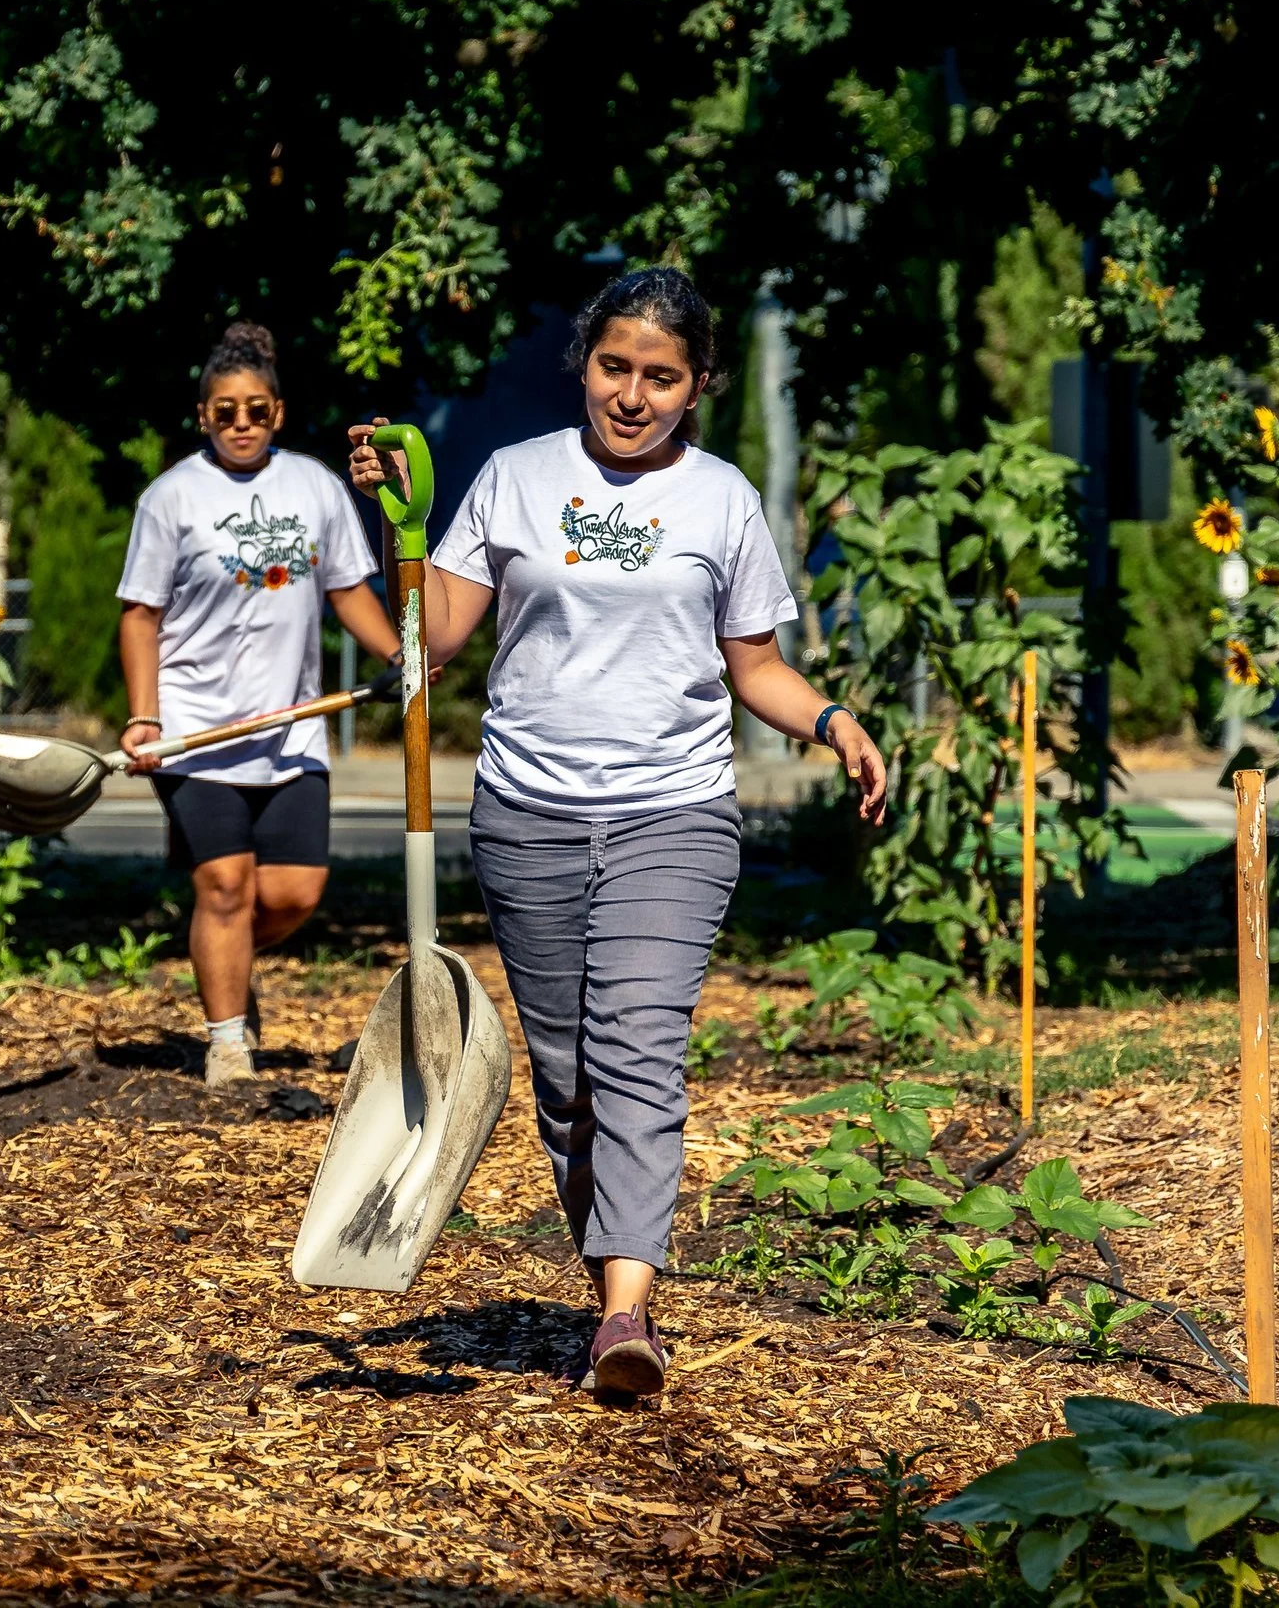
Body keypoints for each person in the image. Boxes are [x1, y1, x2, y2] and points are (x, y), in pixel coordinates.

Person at [348, 265, 886, 1400]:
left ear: (696, 388)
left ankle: (624, 1316)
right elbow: (426, 640)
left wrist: (832, 721)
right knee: (568, 1081)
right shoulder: (513, 477)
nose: (632, 396)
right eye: (613, 368)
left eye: (661, 377)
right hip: (527, 817)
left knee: (636, 1050)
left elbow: (757, 670)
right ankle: (610, 1289)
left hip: (671, 817)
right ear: (583, 363)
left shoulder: (722, 500)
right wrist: (390, 528)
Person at [118, 323, 403, 1088]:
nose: (240, 423)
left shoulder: (313, 486)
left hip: (291, 727)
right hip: (194, 728)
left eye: (254, 410)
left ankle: (225, 958)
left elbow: (347, 588)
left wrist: (400, 653)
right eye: (224, 412)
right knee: (224, 885)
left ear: (276, 411)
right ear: (203, 415)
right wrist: (146, 715)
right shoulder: (172, 496)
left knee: (292, 892)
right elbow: (140, 614)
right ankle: (228, 1044)